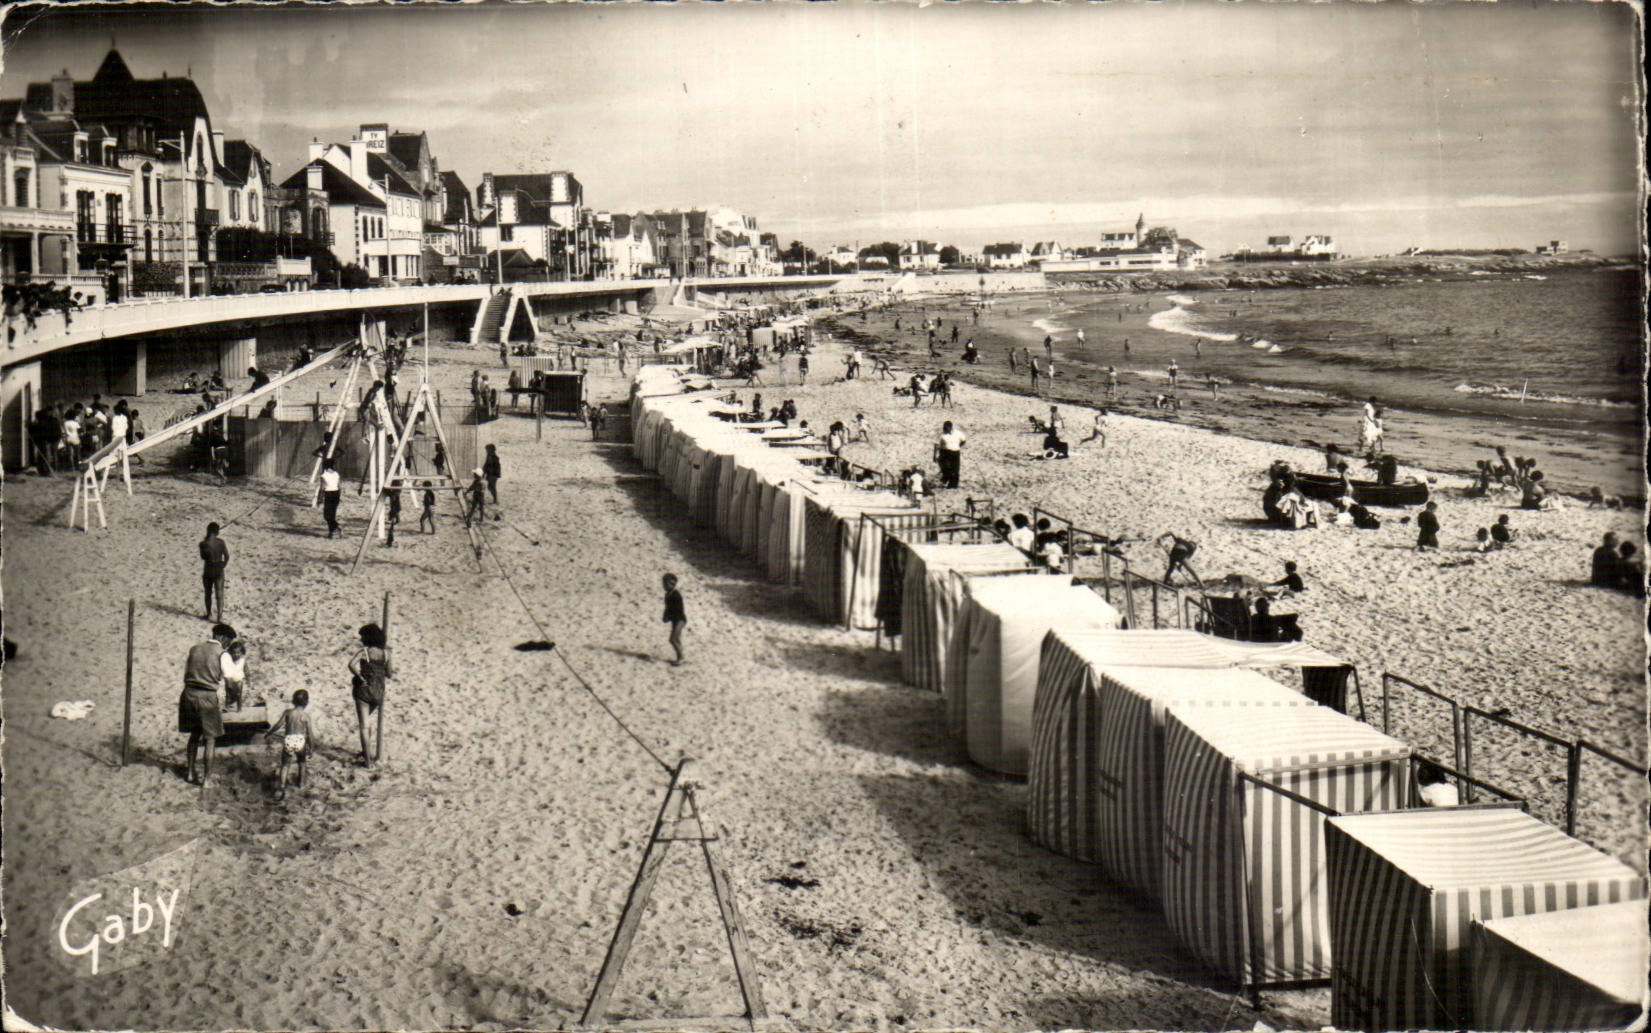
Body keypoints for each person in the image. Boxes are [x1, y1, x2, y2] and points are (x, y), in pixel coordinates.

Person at [179, 623, 236, 787]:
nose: (228, 645)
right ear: (222, 637)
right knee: (210, 738)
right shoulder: (223, 655)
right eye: (228, 641)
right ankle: (207, 778)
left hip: (188, 694)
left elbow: (187, 673)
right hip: (207, 696)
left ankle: (190, 772)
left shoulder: (195, 649)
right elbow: (230, 682)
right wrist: (230, 699)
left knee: (194, 734)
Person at [348, 623, 392, 767]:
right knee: (367, 722)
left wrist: (360, 677)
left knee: (364, 726)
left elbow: (351, 664)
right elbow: (389, 674)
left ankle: (368, 761)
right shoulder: (386, 654)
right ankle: (366, 752)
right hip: (379, 692)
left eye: (362, 637)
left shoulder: (365, 652)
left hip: (364, 691)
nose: (361, 640)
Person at [263, 688, 314, 796]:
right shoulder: (306, 716)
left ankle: (282, 786)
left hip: (289, 739)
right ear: (306, 702)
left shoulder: (288, 713)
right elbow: (310, 734)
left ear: (293, 701)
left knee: (285, 765)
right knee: (302, 763)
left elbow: (278, 725)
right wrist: (311, 747)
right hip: (300, 740)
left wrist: (269, 733)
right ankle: (301, 784)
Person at [199, 521, 229, 622]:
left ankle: (209, 614)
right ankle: (219, 616)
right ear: (217, 532)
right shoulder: (221, 542)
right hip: (219, 570)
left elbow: (203, 557)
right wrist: (223, 565)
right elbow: (227, 556)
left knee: (208, 593)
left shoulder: (203, 544)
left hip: (208, 570)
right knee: (219, 594)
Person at [662, 573, 688, 666]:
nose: (664, 586)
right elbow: (667, 608)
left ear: (672, 584)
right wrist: (665, 616)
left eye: (666, 584)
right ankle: (680, 657)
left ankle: (681, 657)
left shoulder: (676, 595)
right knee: (677, 639)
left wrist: (668, 616)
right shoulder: (667, 595)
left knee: (672, 639)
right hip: (675, 619)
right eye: (663, 583)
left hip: (680, 619)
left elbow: (678, 609)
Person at [933, 420, 966, 489]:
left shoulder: (958, 433)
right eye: (944, 427)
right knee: (947, 468)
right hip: (945, 452)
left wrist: (958, 446)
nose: (944, 429)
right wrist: (934, 455)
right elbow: (936, 445)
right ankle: (945, 479)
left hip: (956, 452)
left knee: (955, 469)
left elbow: (963, 440)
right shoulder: (941, 435)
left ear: (950, 427)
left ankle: (953, 485)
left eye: (946, 427)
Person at [221, 638, 248, 711]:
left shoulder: (242, 660)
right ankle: (227, 706)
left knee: (239, 694)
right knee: (228, 693)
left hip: (239, 679)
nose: (236, 655)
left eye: (238, 653)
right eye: (234, 653)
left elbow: (246, 669)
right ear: (231, 653)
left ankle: (239, 708)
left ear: (242, 653)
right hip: (230, 679)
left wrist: (248, 678)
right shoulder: (229, 660)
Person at [318, 458, 343, 538]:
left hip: (328, 494)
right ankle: (331, 533)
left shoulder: (324, 475)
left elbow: (322, 488)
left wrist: (319, 498)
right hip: (336, 494)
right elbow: (340, 486)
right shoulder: (336, 474)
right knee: (332, 514)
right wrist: (339, 496)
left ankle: (336, 526)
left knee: (327, 515)